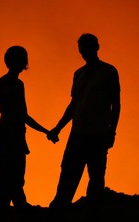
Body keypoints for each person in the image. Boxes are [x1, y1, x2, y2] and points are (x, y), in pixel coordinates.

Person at [47, 33, 121, 210]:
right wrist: (58, 128)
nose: (85, 50)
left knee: (95, 176)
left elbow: (116, 104)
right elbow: (74, 105)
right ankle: (59, 209)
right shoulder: (78, 74)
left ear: (96, 47)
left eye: (88, 46)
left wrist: (112, 131)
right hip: (78, 133)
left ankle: (92, 213)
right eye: (82, 47)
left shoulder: (109, 72)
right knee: (68, 173)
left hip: (98, 134)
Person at [0, 46, 49, 209]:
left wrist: (46, 131)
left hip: (16, 136)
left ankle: (10, 213)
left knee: (14, 178)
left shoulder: (18, 84)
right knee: (6, 179)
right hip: (7, 137)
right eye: (19, 59)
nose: (21, 63)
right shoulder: (4, 83)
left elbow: (24, 116)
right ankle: (8, 214)